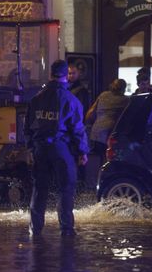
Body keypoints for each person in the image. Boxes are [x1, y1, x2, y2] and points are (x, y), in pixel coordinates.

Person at [24, 59, 89, 237]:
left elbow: (28, 126)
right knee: (66, 188)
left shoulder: (37, 98)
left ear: (51, 74)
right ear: (65, 76)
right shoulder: (71, 100)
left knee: (40, 188)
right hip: (61, 149)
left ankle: (35, 229)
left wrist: (30, 148)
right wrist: (82, 151)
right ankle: (66, 229)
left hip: (40, 148)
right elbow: (77, 128)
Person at [85, 79, 129, 159]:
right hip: (110, 133)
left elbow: (91, 112)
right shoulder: (126, 100)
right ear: (124, 89)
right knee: (109, 160)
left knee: (97, 160)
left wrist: (89, 126)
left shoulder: (103, 95)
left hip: (96, 133)